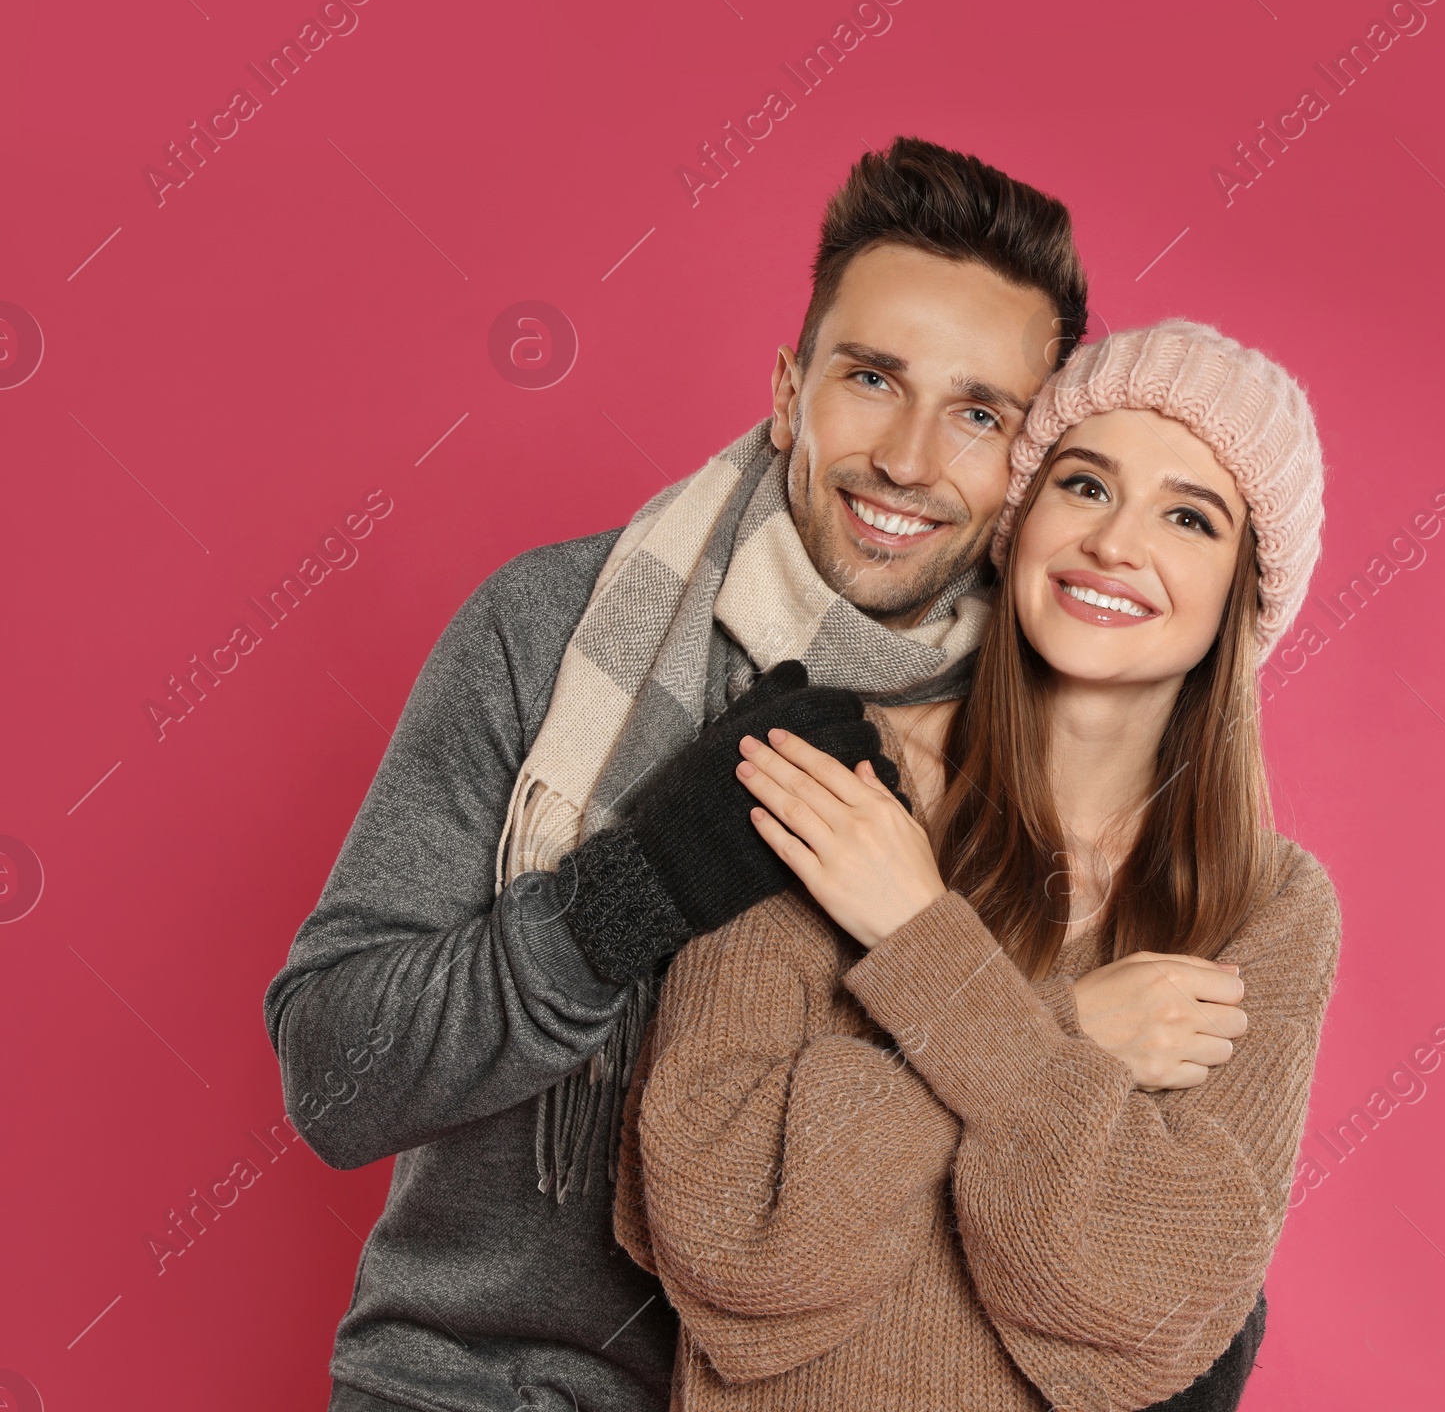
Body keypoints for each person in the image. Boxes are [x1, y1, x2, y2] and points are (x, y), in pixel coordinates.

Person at [264, 137, 1096, 1412]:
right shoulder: (546, 630)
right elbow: (333, 1079)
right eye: (871, 378)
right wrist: (624, 896)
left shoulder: (1062, 740)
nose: (913, 458)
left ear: (1023, 473)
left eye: (980, 414)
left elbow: (1088, 1152)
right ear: (787, 393)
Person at [616, 319, 1341, 1410]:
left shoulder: (1271, 904)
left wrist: (919, 941)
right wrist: (1073, 1028)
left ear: (1244, 590)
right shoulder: (823, 778)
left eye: (1189, 516)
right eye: (1085, 486)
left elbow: (1144, 1310)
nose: (1113, 543)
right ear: (1021, 517)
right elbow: (737, 1242)